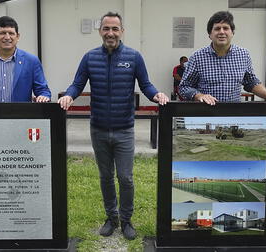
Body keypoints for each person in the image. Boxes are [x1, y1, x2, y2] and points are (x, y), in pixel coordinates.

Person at [58, 12, 168, 240]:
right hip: (98, 128)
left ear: (121, 31)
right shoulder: (90, 58)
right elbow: (77, 84)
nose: (110, 33)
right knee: (105, 176)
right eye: (106, 29)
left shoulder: (134, 57)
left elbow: (145, 84)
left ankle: (126, 220)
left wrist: (157, 95)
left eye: (115, 29)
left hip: (124, 129)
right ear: (100, 31)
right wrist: (68, 96)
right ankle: (111, 217)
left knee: (126, 178)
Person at [179, 11, 266, 105]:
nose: (222, 32)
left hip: (233, 115)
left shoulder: (243, 55)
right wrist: (199, 96)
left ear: (232, 33)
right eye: (217, 28)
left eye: (225, 28)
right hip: (206, 114)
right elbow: (184, 87)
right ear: (210, 34)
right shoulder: (197, 57)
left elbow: (251, 82)